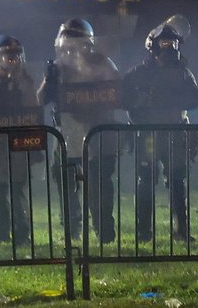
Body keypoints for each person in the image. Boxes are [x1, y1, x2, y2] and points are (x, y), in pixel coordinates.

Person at [37, 18, 124, 243]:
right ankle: (71, 229)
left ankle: (103, 229)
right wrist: (48, 80)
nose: (72, 49)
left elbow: (118, 92)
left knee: (100, 182)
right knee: (65, 181)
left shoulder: (103, 64)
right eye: (68, 43)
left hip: (97, 129)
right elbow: (40, 100)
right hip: (66, 131)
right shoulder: (58, 67)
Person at [123, 19, 198, 242]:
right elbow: (124, 99)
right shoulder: (138, 73)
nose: (169, 47)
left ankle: (182, 231)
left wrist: (166, 98)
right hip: (148, 134)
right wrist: (143, 101)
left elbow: (194, 99)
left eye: (173, 43)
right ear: (154, 46)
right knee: (146, 179)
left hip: (175, 133)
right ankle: (143, 232)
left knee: (177, 179)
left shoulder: (184, 73)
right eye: (165, 42)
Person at [0, 35, 40, 247]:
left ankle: (22, 234)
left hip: (18, 145)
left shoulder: (26, 81)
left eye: (15, 56)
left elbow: (33, 110)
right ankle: (1, 231)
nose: (12, 60)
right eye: (6, 56)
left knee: (17, 188)